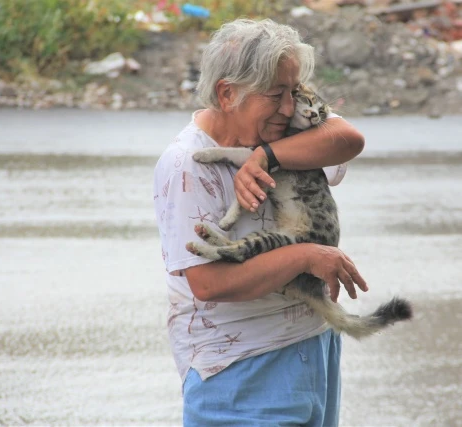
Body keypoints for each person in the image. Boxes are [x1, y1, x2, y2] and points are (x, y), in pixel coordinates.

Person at [153, 18, 368, 426]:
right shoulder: (188, 165)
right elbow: (208, 283)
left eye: (293, 91)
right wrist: (305, 255)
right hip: (241, 371)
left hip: (314, 349)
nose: (289, 107)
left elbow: (350, 138)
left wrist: (264, 155)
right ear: (227, 93)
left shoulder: (285, 133)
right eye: (275, 96)